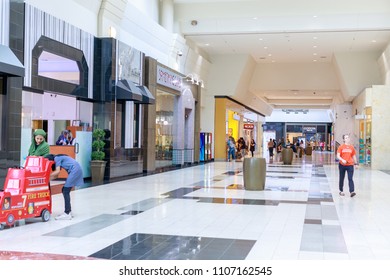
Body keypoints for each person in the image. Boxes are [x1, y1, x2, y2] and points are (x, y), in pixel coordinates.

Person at [45, 154, 84, 220]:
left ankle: (67, 213)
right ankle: (69, 211)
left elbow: (56, 172)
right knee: (65, 190)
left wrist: (45, 176)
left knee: (65, 191)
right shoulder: (59, 158)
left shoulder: (57, 158)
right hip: (76, 169)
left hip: (74, 171)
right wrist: (47, 180)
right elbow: (56, 176)